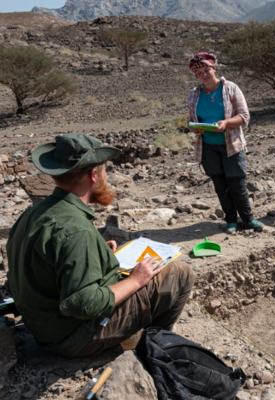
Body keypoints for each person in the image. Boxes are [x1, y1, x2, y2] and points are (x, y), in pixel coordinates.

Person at [7, 134, 194, 357]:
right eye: (104, 170)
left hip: (45, 326)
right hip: (73, 337)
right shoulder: (77, 230)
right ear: (93, 175)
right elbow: (82, 304)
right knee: (179, 273)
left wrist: (97, 253)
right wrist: (137, 280)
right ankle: (154, 345)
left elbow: (50, 262)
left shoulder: (34, 212)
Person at [186, 52, 263, 234]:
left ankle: (248, 219)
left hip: (232, 144)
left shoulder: (230, 88)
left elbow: (244, 117)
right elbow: (190, 121)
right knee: (220, 184)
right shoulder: (193, 95)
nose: (204, 75)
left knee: (237, 183)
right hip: (208, 146)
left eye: (207, 70)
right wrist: (193, 128)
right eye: (199, 73)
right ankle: (230, 220)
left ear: (214, 69)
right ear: (196, 76)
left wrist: (226, 123)